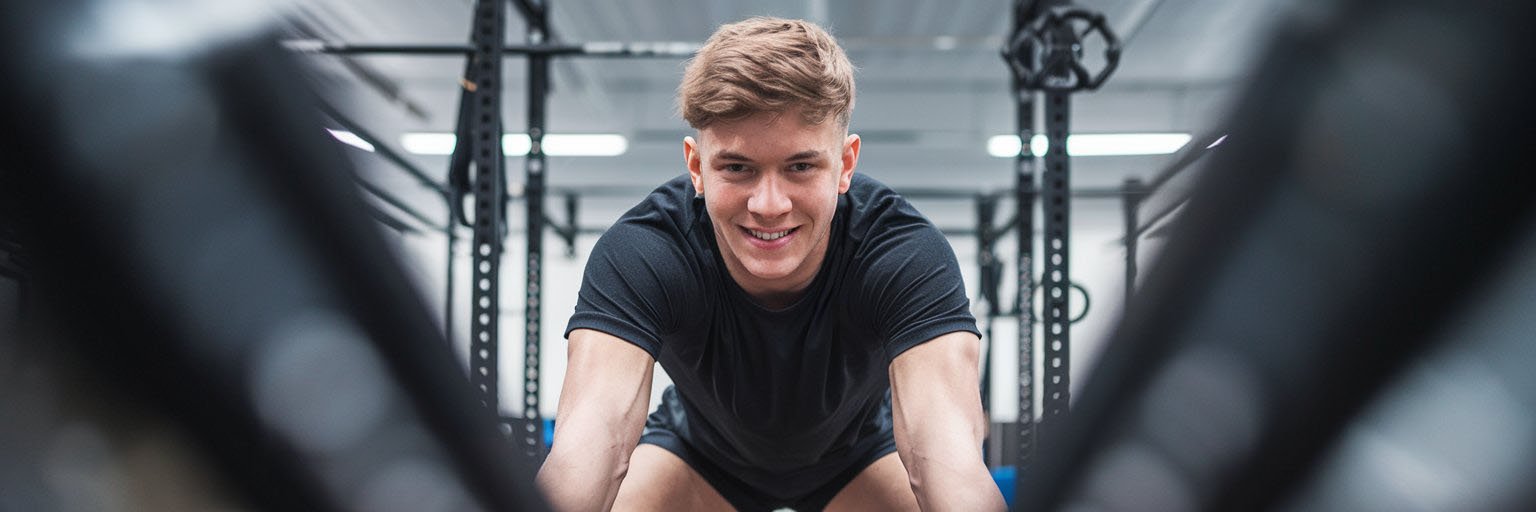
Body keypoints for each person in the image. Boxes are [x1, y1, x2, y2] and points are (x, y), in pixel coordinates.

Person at [536, 16, 1005, 512]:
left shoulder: (902, 254)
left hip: (861, 457)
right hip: (696, 457)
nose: (768, 204)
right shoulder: (645, 252)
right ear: (697, 167)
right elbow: (591, 439)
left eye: (800, 166)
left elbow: (946, 455)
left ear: (845, 165)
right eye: (737, 167)